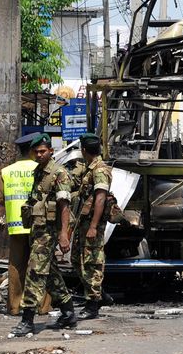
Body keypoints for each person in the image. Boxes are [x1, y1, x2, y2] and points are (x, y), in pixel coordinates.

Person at [11, 134, 77, 335]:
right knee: (51, 274)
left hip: (49, 232)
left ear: (50, 151)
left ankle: (27, 319)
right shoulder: (39, 172)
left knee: (35, 272)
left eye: (42, 151)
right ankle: (68, 313)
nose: (39, 155)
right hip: (37, 229)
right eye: (36, 152)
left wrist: (64, 234)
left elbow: (64, 205)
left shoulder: (59, 173)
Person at [71, 133, 113, 320]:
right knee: (75, 260)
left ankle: (93, 304)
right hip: (83, 222)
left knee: (92, 262)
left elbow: (101, 198)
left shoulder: (99, 170)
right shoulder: (89, 168)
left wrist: (94, 226)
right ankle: (99, 294)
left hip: (92, 224)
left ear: (84, 150)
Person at [1, 133, 40, 315]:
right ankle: (41, 306)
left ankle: (15, 306)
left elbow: (0, 198)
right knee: (39, 264)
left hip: (15, 224)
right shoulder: (41, 168)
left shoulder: (6, 171)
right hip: (37, 223)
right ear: (34, 150)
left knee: (16, 265)